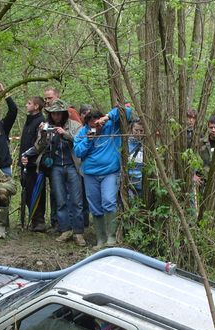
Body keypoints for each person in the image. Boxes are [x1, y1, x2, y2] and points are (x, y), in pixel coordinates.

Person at [74, 104, 134, 249]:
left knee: (108, 201)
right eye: (91, 122)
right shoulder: (83, 132)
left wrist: (107, 117)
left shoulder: (111, 126)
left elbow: (127, 111)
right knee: (95, 206)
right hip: (90, 174)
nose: (95, 124)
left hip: (110, 172)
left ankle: (111, 237)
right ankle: (100, 239)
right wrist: (88, 140)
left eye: (97, 121)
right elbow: (78, 152)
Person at [28, 99, 85, 246]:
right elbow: (38, 147)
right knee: (60, 201)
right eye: (53, 114)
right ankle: (65, 229)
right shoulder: (47, 126)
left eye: (59, 114)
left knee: (76, 201)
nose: (56, 117)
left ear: (64, 113)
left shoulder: (75, 125)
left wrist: (64, 134)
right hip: (55, 167)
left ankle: (78, 232)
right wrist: (43, 133)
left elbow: (81, 142)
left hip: (73, 165)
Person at [19, 96, 46, 231]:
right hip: (25, 164)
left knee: (36, 192)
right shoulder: (29, 121)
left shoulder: (41, 121)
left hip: (35, 165)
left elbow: (40, 144)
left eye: (29, 103)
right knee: (28, 191)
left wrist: (28, 156)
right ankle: (33, 219)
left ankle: (39, 221)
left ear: (36, 106)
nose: (26, 105)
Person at [127, 120, 145, 197]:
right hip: (129, 181)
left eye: (141, 131)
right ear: (131, 129)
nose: (138, 133)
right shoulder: (126, 144)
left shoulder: (147, 144)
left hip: (142, 182)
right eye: (136, 130)